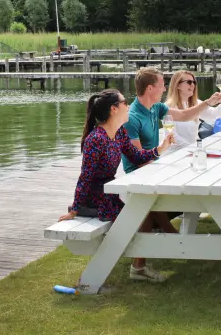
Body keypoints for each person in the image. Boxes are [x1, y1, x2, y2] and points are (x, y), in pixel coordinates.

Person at [58, 89, 176, 282]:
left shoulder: (119, 132)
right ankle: (149, 259)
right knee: (141, 211)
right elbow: (85, 178)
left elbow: (136, 156)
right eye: (124, 103)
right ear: (114, 109)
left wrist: (161, 148)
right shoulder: (96, 139)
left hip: (109, 194)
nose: (128, 106)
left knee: (146, 208)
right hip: (94, 200)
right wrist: (75, 209)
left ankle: (147, 261)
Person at [122, 67, 221, 174]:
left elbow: (184, 115)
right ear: (150, 89)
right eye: (162, 86)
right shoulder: (132, 119)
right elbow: (139, 162)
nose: (165, 89)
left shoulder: (156, 107)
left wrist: (208, 102)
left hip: (155, 166)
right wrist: (167, 165)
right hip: (138, 175)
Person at [164, 70, 221, 146]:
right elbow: (172, 137)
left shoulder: (195, 103)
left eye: (194, 82)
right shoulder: (168, 107)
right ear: (177, 85)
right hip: (175, 153)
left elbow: (212, 115)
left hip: (191, 150)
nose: (193, 85)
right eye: (189, 82)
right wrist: (192, 148)